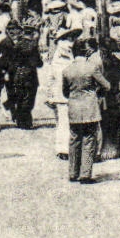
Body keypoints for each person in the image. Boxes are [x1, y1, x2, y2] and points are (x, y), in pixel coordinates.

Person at [62, 38, 110, 183]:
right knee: (89, 139)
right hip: (90, 108)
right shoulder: (92, 68)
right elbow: (107, 85)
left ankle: (73, 173)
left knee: (74, 139)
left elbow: (65, 92)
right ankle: (85, 174)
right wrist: (94, 90)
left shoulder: (67, 70)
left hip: (74, 108)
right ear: (86, 52)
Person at [0, 19, 43, 129]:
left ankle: (20, 121)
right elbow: (38, 63)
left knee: (20, 98)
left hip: (18, 75)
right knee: (29, 99)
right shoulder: (33, 45)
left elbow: (12, 61)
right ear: (32, 33)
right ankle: (26, 123)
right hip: (30, 75)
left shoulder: (17, 45)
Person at [43, 28, 78, 160]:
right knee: (63, 122)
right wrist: (50, 95)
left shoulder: (69, 54)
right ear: (61, 41)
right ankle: (63, 149)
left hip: (67, 94)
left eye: (72, 39)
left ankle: (67, 147)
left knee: (65, 122)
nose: (71, 43)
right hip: (62, 96)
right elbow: (52, 77)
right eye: (68, 39)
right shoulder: (60, 57)